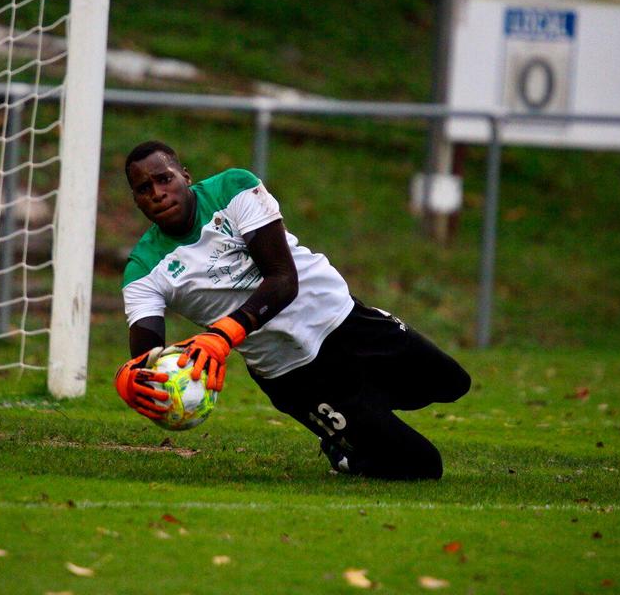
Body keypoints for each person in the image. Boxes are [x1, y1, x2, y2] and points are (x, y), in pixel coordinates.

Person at [115, 140, 471, 480]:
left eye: (164, 179)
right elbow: (147, 360)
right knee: (422, 466)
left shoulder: (233, 189)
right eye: (144, 189)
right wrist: (131, 381)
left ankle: (365, 417)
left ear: (185, 176)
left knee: (452, 382)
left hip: (343, 322)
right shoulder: (144, 269)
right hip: (294, 374)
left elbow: (283, 280)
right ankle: (347, 447)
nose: (158, 193)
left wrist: (222, 336)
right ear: (137, 200)